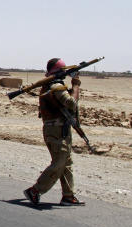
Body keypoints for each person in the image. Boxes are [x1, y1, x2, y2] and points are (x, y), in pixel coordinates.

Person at [23, 58, 85, 206]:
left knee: (66, 162)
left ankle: (68, 196)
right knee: (59, 162)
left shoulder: (52, 86)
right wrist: (76, 86)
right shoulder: (55, 86)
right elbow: (71, 104)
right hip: (56, 130)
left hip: (59, 129)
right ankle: (36, 190)